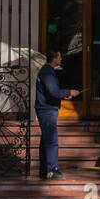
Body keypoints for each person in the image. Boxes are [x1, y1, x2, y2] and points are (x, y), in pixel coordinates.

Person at [35, 49, 80, 181]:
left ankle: (44, 170)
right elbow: (54, 91)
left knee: (46, 141)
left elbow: (51, 93)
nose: (61, 59)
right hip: (47, 110)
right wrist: (69, 91)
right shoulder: (48, 72)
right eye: (59, 57)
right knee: (52, 140)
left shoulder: (47, 71)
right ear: (54, 58)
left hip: (46, 108)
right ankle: (52, 170)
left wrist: (65, 96)